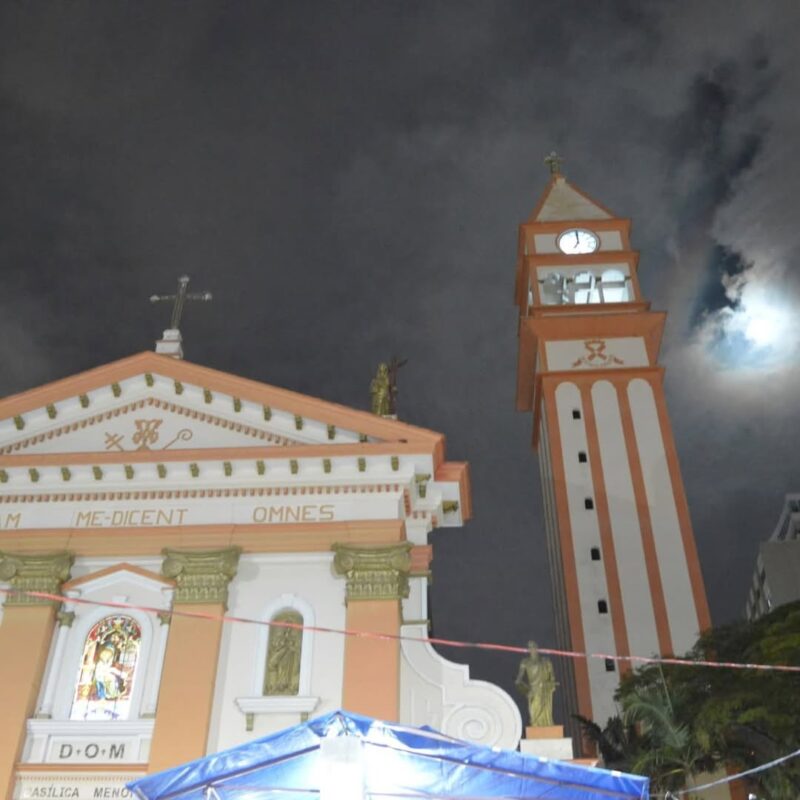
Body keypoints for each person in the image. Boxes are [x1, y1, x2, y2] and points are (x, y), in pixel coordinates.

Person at [515, 640, 558, 727]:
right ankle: (536, 725)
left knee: (545, 711)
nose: (532, 649)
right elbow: (519, 679)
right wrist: (525, 690)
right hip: (533, 689)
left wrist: (552, 682)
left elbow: (552, 675)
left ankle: (546, 725)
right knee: (534, 712)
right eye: (530, 647)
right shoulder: (525, 662)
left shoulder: (545, 661)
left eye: (533, 646)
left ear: (537, 648)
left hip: (544, 688)